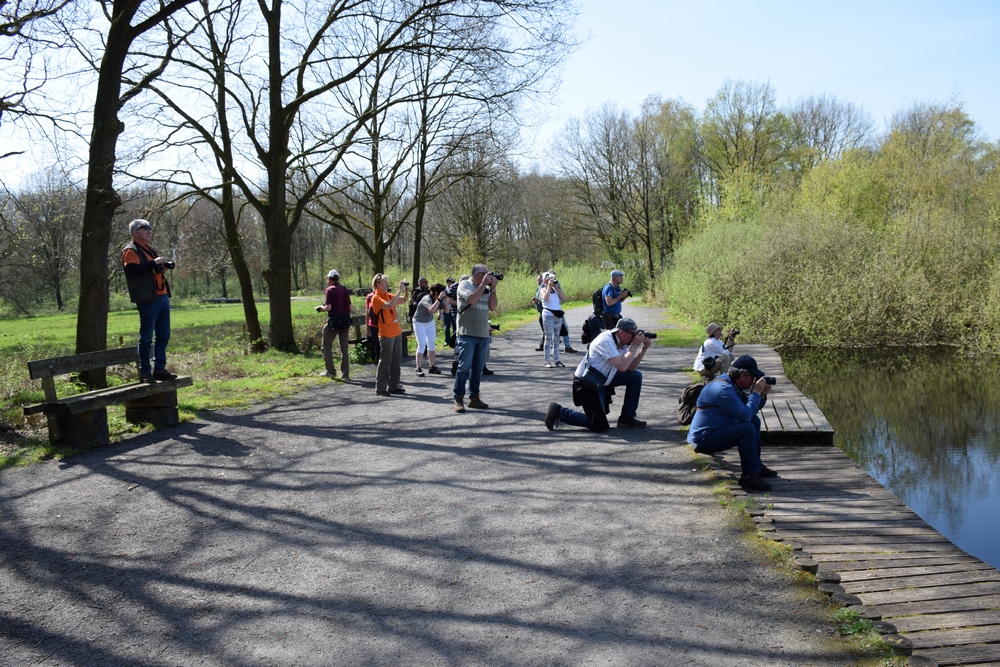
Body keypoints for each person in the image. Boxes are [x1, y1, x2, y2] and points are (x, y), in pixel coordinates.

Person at [687, 355, 778, 492]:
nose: (755, 381)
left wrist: (761, 396)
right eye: (753, 376)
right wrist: (755, 394)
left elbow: (749, 412)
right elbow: (745, 416)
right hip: (703, 438)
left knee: (754, 421)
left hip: (714, 431)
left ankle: (756, 465)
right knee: (747, 428)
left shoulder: (731, 384)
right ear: (742, 376)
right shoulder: (723, 389)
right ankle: (749, 476)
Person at [543, 317, 651, 432]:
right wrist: (635, 346)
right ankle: (559, 411)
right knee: (599, 425)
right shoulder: (606, 340)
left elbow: (631, 367)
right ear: (621, 332)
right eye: (633, 334)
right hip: (588, 383)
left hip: (603, 379)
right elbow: (622, 366)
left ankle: (627, 418)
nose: (636, 337)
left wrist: (643, 349)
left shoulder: (621, 341)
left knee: (635, 376)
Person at [122, 219, 176, 383]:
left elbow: (150, 269)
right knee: (146, 337)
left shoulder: (149, 249)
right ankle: (145, 372)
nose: (149, 231)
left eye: (149, 228)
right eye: (144, 228)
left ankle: (159, 368)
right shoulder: (130, 251)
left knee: (164, 334)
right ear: (135, 233)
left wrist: (161, 267)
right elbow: (133, 271)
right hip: (147, 298)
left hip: (162, 295)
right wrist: (153, 263)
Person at [452, 264, 498, 412]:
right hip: (467, 333)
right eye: (486, 274)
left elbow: (493, 307)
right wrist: (483, 285)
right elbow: (472, 300)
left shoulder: (485, 288)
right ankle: (458, 398)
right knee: (464, 367)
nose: (489, 276)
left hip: (483, 334)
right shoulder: (464, 285)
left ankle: (474, 398)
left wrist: (493, 289)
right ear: (478, 274)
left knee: (478, 368)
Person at [371, 273, 409, 396]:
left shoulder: (388, 295)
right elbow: (389, 305)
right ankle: (381, 387)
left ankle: (394, 385)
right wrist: (399, 291)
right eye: (384, 282)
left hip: (396, 331)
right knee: (385, 361)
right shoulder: (376, 298)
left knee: (396, 360)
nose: (387, 284)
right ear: (378, 284)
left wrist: (406, 290)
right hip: (386, 333)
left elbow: (403, 300)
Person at [317, 269, 352, 380]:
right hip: (345, 321)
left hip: (334, 322)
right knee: (344, 347)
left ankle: (330, 371)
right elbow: (350, 307)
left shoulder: (329, 290)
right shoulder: (345, 289)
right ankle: (345, 373)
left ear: (330, 279)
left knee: (326, 345)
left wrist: (321, 308)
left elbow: (328, 307)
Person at [413, 283, 448, 376]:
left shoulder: (439, 299)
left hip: (429, 322)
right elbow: (431, 310)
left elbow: (447, 311)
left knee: (431, 344)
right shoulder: (427, 298)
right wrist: (440, 299)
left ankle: (432, 367)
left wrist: (446, 299)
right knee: (422, 345)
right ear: (436, 293)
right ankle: (418, 368)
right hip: (419, 322)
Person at [540, 272, 566, 368]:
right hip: (548, 316)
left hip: (557, 317)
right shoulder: (543, 290)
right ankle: (547, 361)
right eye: (550, 280)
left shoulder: (555, 290)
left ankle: (557, 360)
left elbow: (564, 298)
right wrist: (548, 287)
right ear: (545, 281)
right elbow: (546, 299)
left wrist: (557, 288)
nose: (552, 281)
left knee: (557, 339)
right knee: (548, 338)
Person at [442, 277, 457, 346]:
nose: (452, 283)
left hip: (453, 310)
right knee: (447, 327)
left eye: (453, 282)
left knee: (455, 326)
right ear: (447, 282)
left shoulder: (455, 289)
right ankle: (447, 341)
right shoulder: (444, 291)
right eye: (450, 282)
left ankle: (454, 341)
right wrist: (439, 312)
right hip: (446, 311)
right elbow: (440, 301)